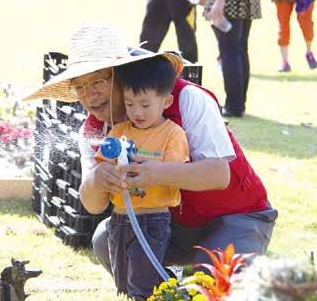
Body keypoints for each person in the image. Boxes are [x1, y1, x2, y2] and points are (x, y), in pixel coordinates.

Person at [25, 24, 277, 275]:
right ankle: (163, 291)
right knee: (106, 240)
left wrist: (157, 173)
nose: (89, 96)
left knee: (215, 276)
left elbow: (220, 174)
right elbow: (93, 206)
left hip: (236, 216)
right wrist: (96, 180)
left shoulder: (187, 98)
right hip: (169, 226)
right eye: (79, 87)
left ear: (121, 75)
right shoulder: (93, 130)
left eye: (97, 81)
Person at [94, 55, 190, 300]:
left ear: (166, 101)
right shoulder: (119, 132)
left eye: (145, 105)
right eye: (129, 104)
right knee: (123, 284)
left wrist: (151, 169)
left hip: (151, 221)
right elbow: (103, 166)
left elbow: (175, 173)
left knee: (142, 286)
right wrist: (106, 170)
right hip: (118, 219)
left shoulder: (172, 134)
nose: (136, 112)